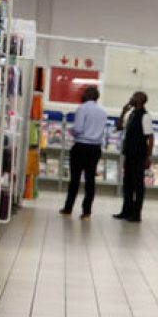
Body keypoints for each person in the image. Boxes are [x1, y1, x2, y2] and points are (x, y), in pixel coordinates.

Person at [59, 86, 108, 219]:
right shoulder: (103, 112)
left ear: (86, 95)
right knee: (90, 180)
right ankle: (87, 212)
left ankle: (68, 208)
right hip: (95, 148)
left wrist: (71, 131)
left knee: (74, 179)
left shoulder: (82, 108)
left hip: (81, 146)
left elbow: (78, 128)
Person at [114, 91, 154, 223]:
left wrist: (148, 157)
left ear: (141, 100)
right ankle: (126, 211)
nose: (131, 98)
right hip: (129, 154)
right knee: (128, 185)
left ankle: (136, 214)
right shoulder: (131, 114)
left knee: (138, 186)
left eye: (134, 96)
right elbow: (119, 127)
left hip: (139, 156)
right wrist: (123, 112)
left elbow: (150, 138)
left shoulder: (145, 116)